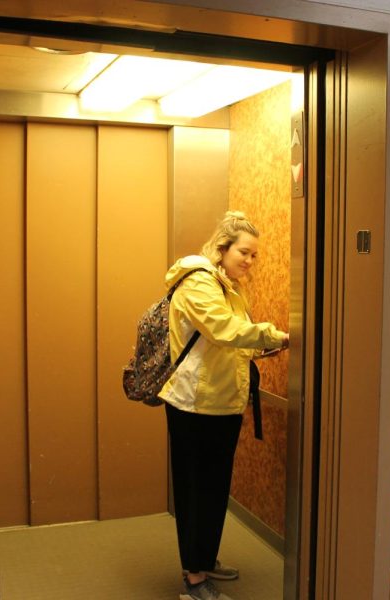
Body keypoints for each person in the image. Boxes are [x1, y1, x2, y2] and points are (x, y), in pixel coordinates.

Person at [159, 211, 289, 600]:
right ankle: (193, 578)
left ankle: (205, 559)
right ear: (222, 248)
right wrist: (271, 332)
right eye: (243, 253)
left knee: (215, 488)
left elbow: (232, 344)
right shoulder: (198, 283)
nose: (249, 262)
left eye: (254, 256)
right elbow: (221, 329)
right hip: (194, 406)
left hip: (223, 404)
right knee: (196, 490)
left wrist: (266, 344)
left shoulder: (228, 286)